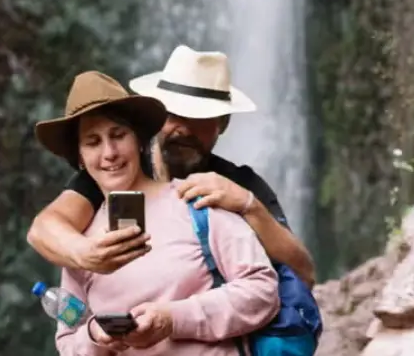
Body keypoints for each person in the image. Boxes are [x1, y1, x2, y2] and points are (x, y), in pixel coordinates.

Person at [26, 45, 316, 286]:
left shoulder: (236, 182)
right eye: (173, 114)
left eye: (199, 117)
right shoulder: (117, 171)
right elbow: (44, 229)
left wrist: (249, 206)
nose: (182, 128)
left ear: (223, 124)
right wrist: (84, 253)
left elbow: (304, 272)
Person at [35, 70, 280, 355]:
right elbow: (68, 344)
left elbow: (263, 291)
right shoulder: (82, 245)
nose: (110, 152)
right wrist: (94, 336)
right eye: (93, 142)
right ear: (79, 156)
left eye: (118, 135)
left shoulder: (195, 203)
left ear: (139, 140)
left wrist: (172, 319)